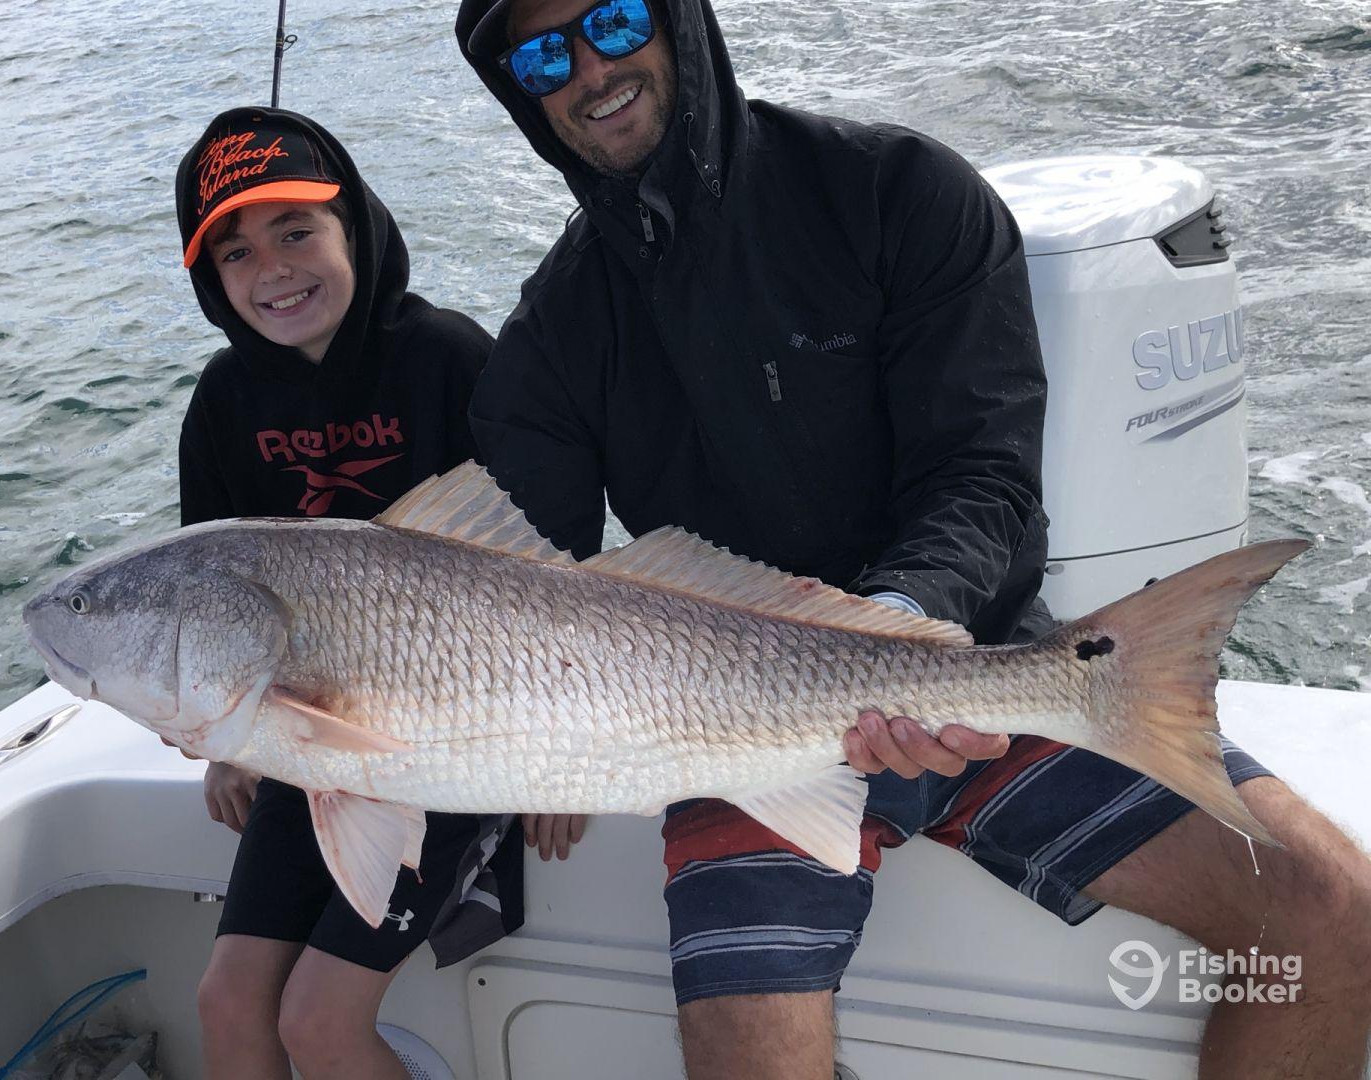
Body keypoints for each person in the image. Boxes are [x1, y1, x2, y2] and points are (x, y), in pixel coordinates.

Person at [454, 2, 1371, 1077]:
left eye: (613, 19)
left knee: (1331, 912)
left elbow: (984, 473)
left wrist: (901, 627)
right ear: (519, 90)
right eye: (541, 54)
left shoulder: (896, 191)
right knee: (748, 1059)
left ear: (677, 18)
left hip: (978, 666)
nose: (588, 68)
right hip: (733, 734)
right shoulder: (556, 328)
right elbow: (514, 580)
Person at [173, 106, 577, 1079]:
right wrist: (225, 745)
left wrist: (555, 763)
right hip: (306, 744)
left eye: (296, 231)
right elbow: (205, 592)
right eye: (235, 252)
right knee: (227, 1000)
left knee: (319, 1021)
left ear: (354, 224)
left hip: (457, 741)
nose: (273, 270)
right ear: (211, 280)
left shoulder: (448, 356)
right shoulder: (220, 403)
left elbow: (550, 576)